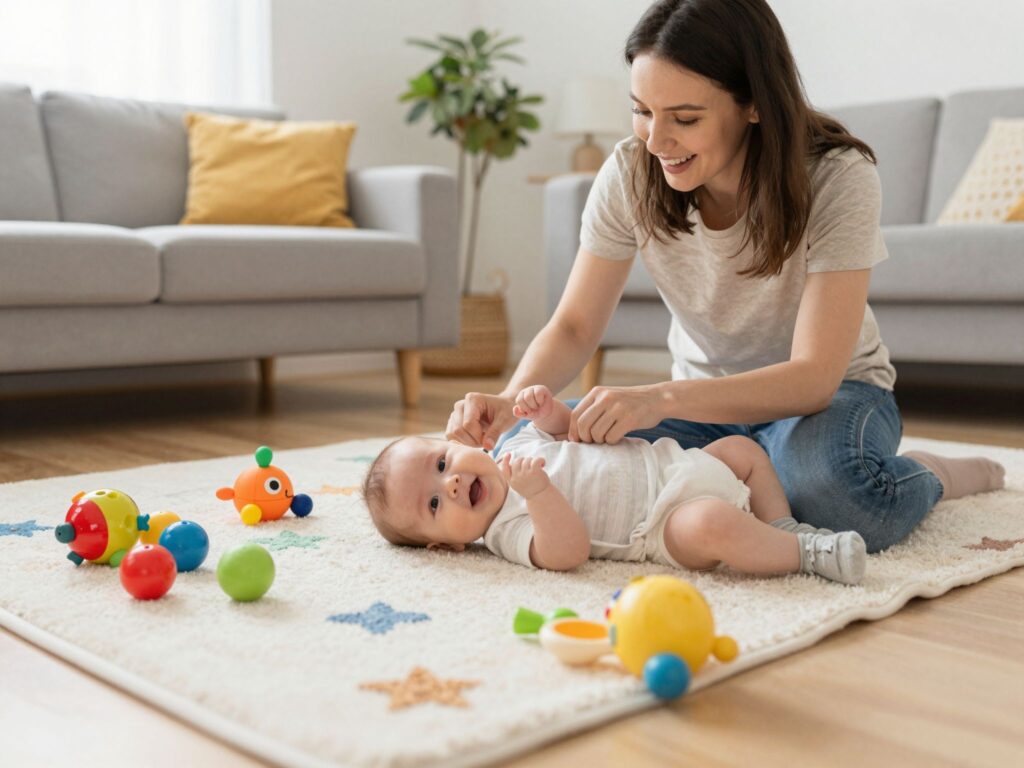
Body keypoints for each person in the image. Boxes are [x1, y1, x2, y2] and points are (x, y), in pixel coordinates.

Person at [445, 0, 1005, 554]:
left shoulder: (837, 176)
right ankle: (756, 472)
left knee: (837, 501)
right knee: (545, 453)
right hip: (699, 410)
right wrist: (510, 400)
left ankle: (937, 473)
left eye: (685, 119)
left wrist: (657, 398)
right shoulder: (630, 173)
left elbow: (814, 377)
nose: (655, 141)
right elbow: (573, 326)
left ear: (754, 103)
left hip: (829, 397)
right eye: (642, 111)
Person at [363, 384, 868, 584]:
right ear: (446, 545)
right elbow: (568, 552)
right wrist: (538, 495)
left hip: (675, 465)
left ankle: (783, 527)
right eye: (434, 503)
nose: (451, 484)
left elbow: (567, 428)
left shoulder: (515, 444)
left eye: (441, 463)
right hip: (661, 524)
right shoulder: (505, 532)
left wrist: (546, 410)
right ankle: (805, 555)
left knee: (743, 452)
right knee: (712, 524)